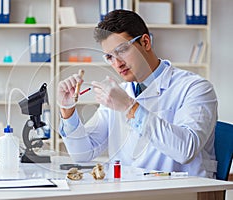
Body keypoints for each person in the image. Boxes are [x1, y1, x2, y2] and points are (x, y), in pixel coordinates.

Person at [57, 10, 218, 178]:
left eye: (122, 50)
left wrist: (129, 107)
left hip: (181, 191)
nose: (117, 63)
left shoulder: (196, 88)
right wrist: (67, 111)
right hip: (130, 190)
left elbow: (186, 150)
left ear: (145, 42)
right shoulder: (120, 94)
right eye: (109, 57)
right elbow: (83, 154)